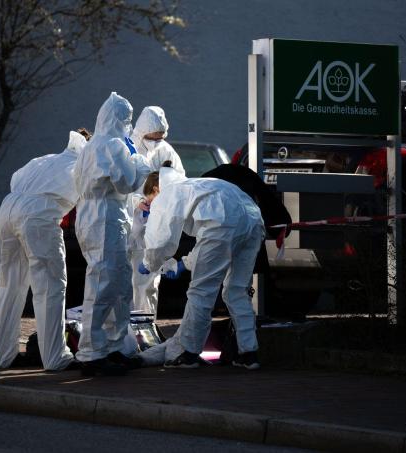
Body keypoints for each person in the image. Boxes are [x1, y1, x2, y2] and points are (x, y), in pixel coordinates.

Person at [138, 166, 265, 370]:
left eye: (149, 200)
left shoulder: (167, 193)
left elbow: (160, 240)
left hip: (224, 224)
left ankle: (188, 353)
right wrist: (184, 263)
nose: (150, 206)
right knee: (236, 291)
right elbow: (211, 240)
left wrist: (148, 264)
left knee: (200, 292)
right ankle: (249, 354)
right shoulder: (196, 186)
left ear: (155, 189)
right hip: (253, 221)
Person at [0, 129, 88, 371]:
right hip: (39, 214)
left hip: (7, 210)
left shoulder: (45, 159)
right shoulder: (83, 166)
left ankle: (3, 356)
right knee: (50, 287)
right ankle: (55, 357)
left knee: (9, 285)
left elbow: (15, 179)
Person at [73, 92, 151, 375]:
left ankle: (113, 347)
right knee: (105, 284)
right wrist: (141, 165)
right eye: (127, 119)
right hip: (106, 216)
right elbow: (127, 182)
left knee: (116, 284)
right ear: (119, 119)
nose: (129, 124)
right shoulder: (114, 145)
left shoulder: (91, 146)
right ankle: (93, 352)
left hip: (91, 214)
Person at [128, 106, 185, 315]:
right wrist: (134, 201)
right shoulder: (128, 147)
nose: (156, 141)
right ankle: (122, 335)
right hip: (129, 223)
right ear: (143, 132)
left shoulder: (166, 150)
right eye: (153, 137)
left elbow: (178, 181)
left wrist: (161, 202)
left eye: (160, 137)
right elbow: (117, 185)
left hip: (153, 224)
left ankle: (145, 331)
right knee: (124, 283)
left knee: (148, 284)